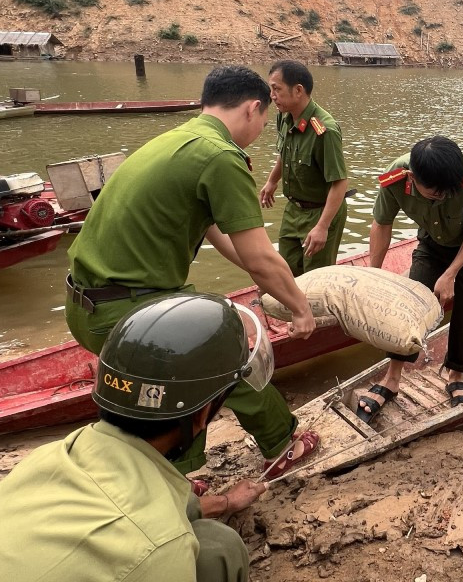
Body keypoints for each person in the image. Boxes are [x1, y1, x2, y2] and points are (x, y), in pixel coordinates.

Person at [65, 65, 319, 488]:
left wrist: (268, 279)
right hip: (122, 310)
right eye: (263, 119)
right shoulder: (221, 157)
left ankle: (163, 475)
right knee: (221, 357)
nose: (260, 130)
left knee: (170, 377)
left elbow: (217, 232)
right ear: (254, 108)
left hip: (86, 304)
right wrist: (300, 307)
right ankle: (281, 444)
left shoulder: (180, 139)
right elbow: (259, 256)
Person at [0, 294, 271, 581]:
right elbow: (154, 539)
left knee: (213, 544)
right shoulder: (161, 549)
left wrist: (225, 502)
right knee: (216, 548)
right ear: (201, 413)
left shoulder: (53, 455)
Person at [362, 136, 463, 421]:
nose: (444, 197)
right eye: (435, 194)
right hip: (432, 239)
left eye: (449, 192)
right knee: (412, 303)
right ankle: (392, 377)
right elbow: (382, 223)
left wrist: (451, 273)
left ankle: (456, 374)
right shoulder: (396, 177)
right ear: (412, 178)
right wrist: (373, 273)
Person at [260, 59, 349, 276]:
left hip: (321, 211)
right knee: (287, 269)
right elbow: (286, 152)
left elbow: (339, 182)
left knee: (316, 277)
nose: (272, 96)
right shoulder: (284, 117)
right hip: (294, 209)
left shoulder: (324, 130)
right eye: (271, 89)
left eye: (276, 89)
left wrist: (322, 227)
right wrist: (272, 181)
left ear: (298, 90)